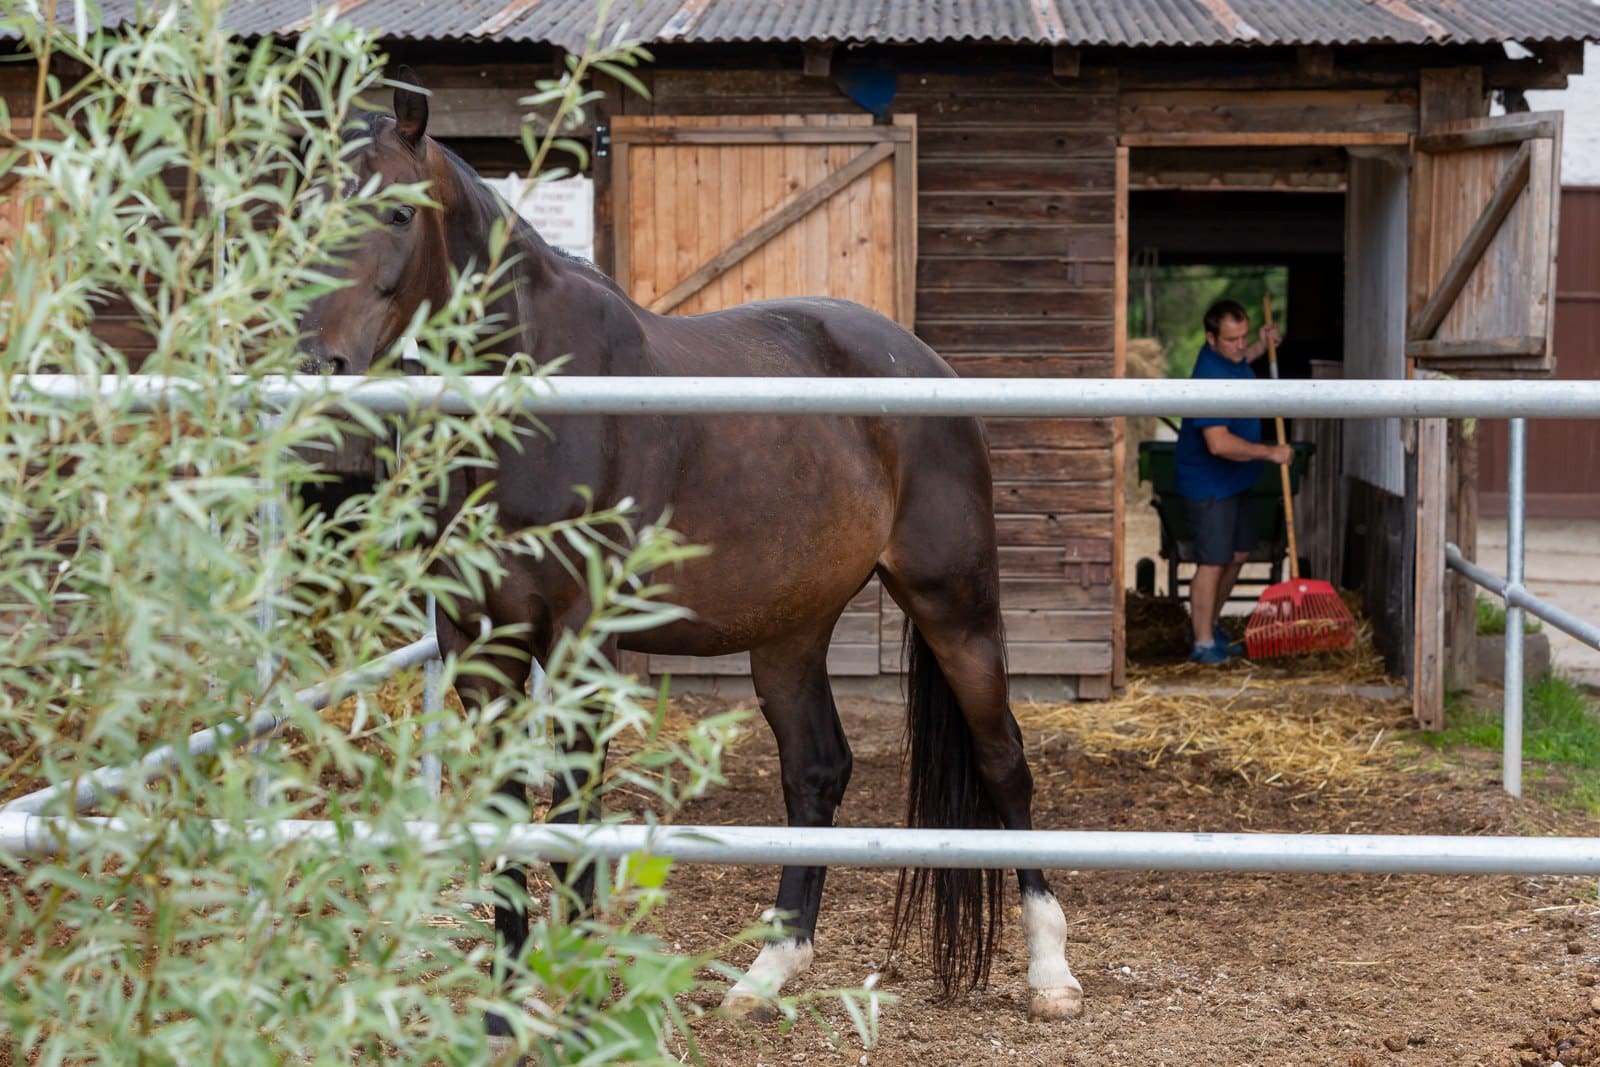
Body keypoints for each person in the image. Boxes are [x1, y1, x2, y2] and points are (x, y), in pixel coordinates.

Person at [1174, 299, 1294, 665]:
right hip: (1208, 482)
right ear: (1211, 339)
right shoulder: (1208, 376)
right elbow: (1218, 443)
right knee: (1212, 561)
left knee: (1239, 554)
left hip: (1236, 480)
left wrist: (1262, 345)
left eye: (1244, 337)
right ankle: (1203, 642)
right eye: (1232, 339)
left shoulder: (1231, 358)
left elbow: (1242, 359)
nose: (1240, 345)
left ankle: (1210, 623)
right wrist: (1268, 453)